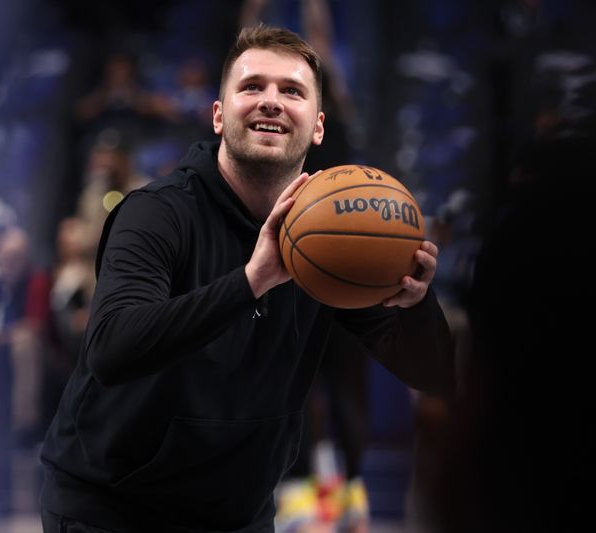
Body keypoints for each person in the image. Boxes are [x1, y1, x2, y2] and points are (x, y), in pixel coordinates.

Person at [40, 25, 454, 533]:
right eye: (252, 86)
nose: (271, 102)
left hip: (238, 511)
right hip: (115, 505)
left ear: (318, 127)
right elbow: (110, 348)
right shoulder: (155, 214)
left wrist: (417, 304)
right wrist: (251, 280)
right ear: (219, 116)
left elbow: (434, 376)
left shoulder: (332, 237)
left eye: (292, 91)